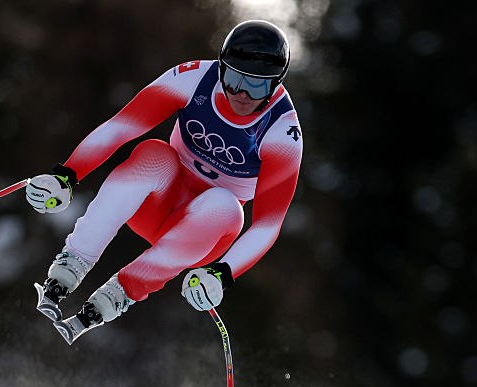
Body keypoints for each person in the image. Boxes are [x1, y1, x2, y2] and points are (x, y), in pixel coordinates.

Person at [26, 19, 303, 345]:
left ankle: (121, 292)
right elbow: (121, 127)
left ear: (275, 86)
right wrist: (67, 175)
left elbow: (267, 226)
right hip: (155, 205)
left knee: (226, 206)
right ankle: (72, 263)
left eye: (257, 86)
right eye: (233, 79)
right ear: (220, 68)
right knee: (154, 154)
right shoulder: (193, 79)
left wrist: (222, 274)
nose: (241, 94)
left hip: (202, 234)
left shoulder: (282, 133)